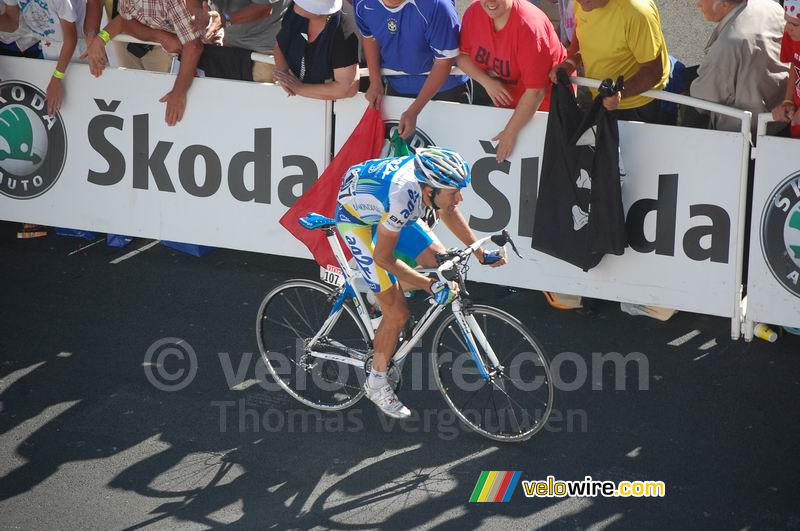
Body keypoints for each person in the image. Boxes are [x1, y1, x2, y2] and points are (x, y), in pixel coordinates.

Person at [336, 148, 506, 418]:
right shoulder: (403, 198)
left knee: (441, 265)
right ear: (429, 191)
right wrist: (427, 285)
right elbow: (383, 257)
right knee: (398, 312)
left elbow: (449, 210)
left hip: (382, 205)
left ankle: (378, 295)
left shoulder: (428, 185)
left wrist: (479, 252)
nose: (459, 198)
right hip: (355, 220)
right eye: (453, 192)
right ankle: (377, 382)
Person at [459, 0, 566, 162]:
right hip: (508, 100)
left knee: (541, 161)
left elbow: (536, 92)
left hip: (545, 105)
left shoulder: (530, 27)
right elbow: (462, 56)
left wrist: (510, 132)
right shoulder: (474, 12)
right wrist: (487, 82)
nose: (490, 2)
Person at [354, 0, 469, 139]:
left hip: (445, 89)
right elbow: (369, 36)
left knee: (451, 152)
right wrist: (375, 81)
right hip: (397, 86)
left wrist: (413, 111)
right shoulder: (362, 3)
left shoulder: (438, 6)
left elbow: (444, 62)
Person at [82, 0, 205, 126]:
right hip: (146, 45)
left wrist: (179, 91)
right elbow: (124, 21)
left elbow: (194, 46)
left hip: (182, 58)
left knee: (167, 111)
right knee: (137, 100)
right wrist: (100, 39)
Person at [548, 0, 670, 124]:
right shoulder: (582, 2)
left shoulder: (637, 11)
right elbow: (584, 37)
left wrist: (619, 92)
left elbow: (653, 71)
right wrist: (570, 63)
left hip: (638, 107)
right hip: (601, 100)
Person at [690, 0, 787, 134]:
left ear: (724, 4)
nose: (698, 4)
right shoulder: (772, 7)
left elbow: (703, 97)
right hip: (784, 118)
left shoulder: (728, 45)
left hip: (747, 135)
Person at [0, 0, 85, 115]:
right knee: (59, 107)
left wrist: (56, 79)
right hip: (47, 46)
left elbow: (71, 39)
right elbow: (12, 23)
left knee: (79, 101)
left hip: (77, 51)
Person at [272, 0, 359, 99]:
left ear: (318, 10)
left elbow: (347, 88)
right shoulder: (295, 11)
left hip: (332, 107)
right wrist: (283, 73)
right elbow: (280, 44)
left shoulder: (343, 28)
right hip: (295, 100)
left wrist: (299, 88)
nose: (296, 2)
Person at [189, 0, 290, 82]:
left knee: (255, 102)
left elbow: (265, 8)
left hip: (264, 49)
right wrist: (198, 15)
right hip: (230, 42)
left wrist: (224, 20)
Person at [84, 0, 174, 73]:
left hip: (160, 42)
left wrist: (100, 39)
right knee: (128, 87)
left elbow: (124, 21)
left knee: (159, 88)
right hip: (119, 37)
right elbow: (95, 2)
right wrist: (91, 37)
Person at [772, 0, 800, 138]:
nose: (788, 28)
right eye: (787, 21)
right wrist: (788, 101)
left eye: (794, 24)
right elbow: (795, 65)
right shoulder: (791, 35)